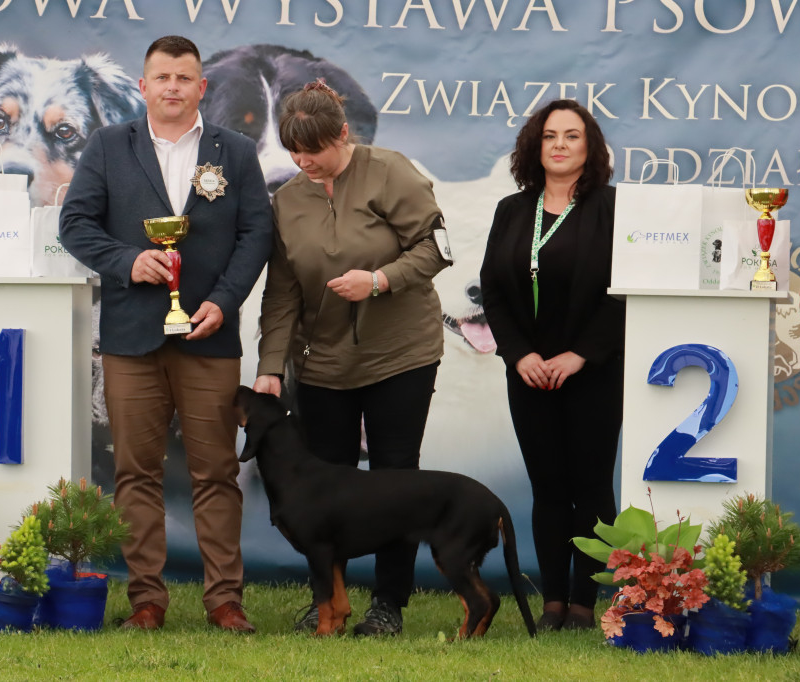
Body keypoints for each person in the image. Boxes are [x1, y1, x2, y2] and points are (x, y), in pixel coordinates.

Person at [59, 35, 272, 632]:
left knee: (216, 472)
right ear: (144, 87)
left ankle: (225, 599)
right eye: (162, 77)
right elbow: (75, 223)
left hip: (208, 335)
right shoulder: (107, 147)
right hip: (131, 337)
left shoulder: (234, 150)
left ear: (201, 87)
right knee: (136, 472)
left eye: (184, 77)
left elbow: (256, 233)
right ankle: (146, 599)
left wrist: (225, 303)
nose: (173, 87)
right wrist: (128, 261)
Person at [253, 80, 451, 636]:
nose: (304, 162)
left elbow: (437, 248)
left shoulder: (391, 171)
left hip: (401, 357)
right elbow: (282, 294)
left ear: (343, 134)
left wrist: (382, 279)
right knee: (323, 494)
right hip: (321, 367)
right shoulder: (288, 200)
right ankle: (329, 602)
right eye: (295, 153)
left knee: (395, 483)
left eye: (314, 150)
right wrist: (271, 367)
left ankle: (388, 604)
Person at [479, 99, 625, 631]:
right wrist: (520, 354)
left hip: (594, 369)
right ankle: (554, 602)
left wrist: (581, 353)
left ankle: (586, 603)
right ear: (534, 147)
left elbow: (622, 294)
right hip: (530, 372)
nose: (560, 144)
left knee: (590, 488)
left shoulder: (612, 208)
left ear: (590, 148)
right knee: (547, 488)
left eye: (572, 135)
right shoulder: (512, 210)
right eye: (549, 136)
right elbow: (493, 291)